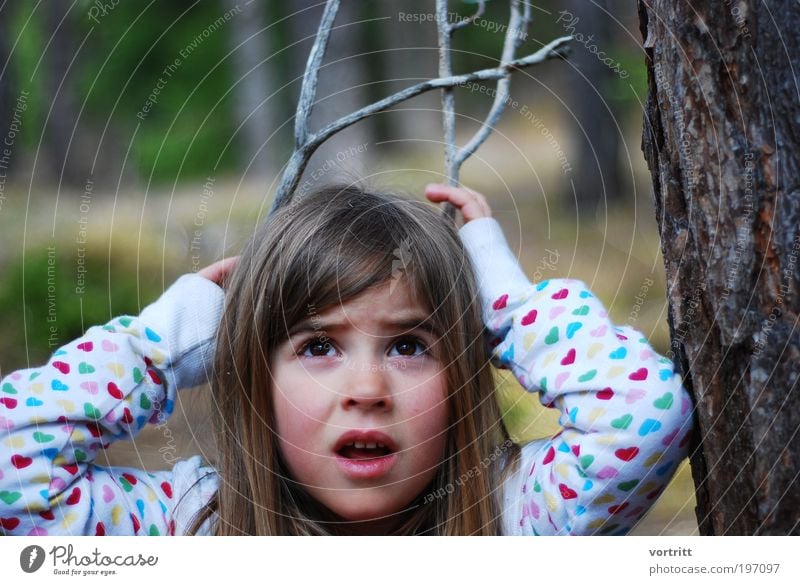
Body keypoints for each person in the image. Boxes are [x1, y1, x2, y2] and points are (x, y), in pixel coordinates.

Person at [0, 183, 692, 536]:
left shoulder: (517, 517)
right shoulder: (191, 526)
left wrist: (501, 301)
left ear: (465, 362)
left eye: (410, 345)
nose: (368, 387)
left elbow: (643, 414)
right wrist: (161, 346)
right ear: (251, 374)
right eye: (319, 346)